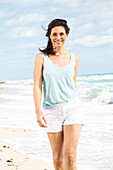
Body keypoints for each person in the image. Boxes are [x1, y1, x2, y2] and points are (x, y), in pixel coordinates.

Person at [33, 18, 84, 170]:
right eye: (54, 34)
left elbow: (72, 83)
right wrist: (38, 111)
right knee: (58, 157)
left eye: (61, 34)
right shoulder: (41, 58)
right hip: (52, 110)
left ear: (67, 35)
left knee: (70, 155)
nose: (58, 38)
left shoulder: (74, 58)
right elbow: (37, 86)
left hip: (73, 107)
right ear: (49, 36)